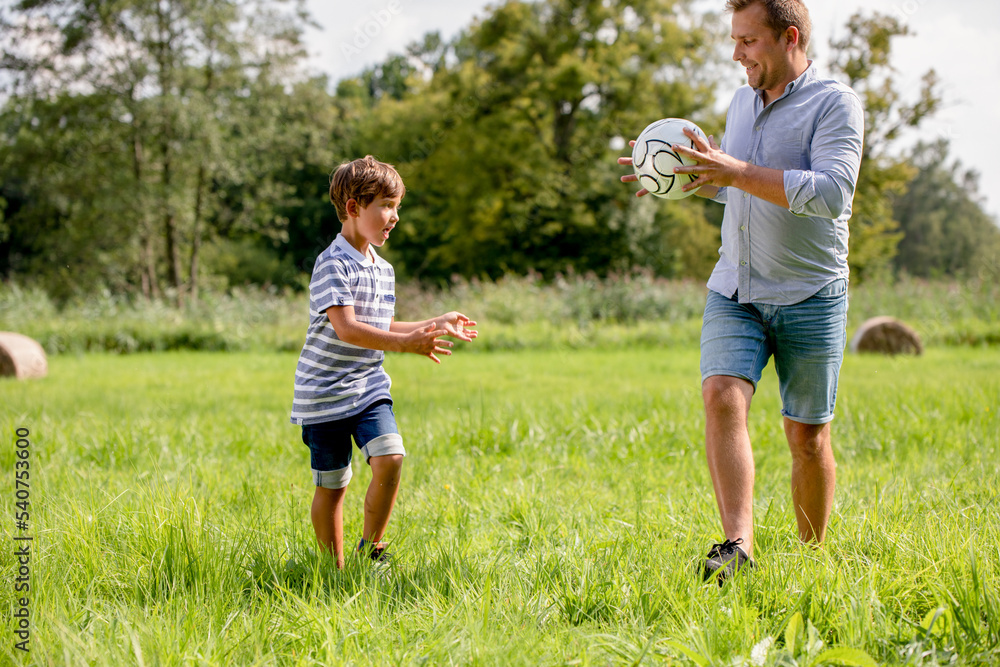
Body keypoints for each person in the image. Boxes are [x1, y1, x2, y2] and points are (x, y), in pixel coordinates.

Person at [619, 0, 864, 583]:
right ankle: (737, 546)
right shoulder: (739, 103)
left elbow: (832, 194)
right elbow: (738, 188)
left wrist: (733, 172)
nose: (736, 54)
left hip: (811, 291)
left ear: (789, 37)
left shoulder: (835, 104)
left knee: (806, 436)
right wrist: (684, 182)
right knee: (722, 394)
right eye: (734, 40)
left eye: (748, 41)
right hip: (735, 288)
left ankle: (812, 558)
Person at [291, 155, 477, 568]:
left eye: (397, 207)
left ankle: (369, 551)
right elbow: (349, 329)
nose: (394, 217)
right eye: (385, 206)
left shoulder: (383, 268)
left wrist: (435, 322)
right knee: (333, 486)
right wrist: (407, 344)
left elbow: (384, 324)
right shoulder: (332, 264)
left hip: (368, 386)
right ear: (354, 207)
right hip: (323, 394)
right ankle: (332, 569)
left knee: (391, 457)